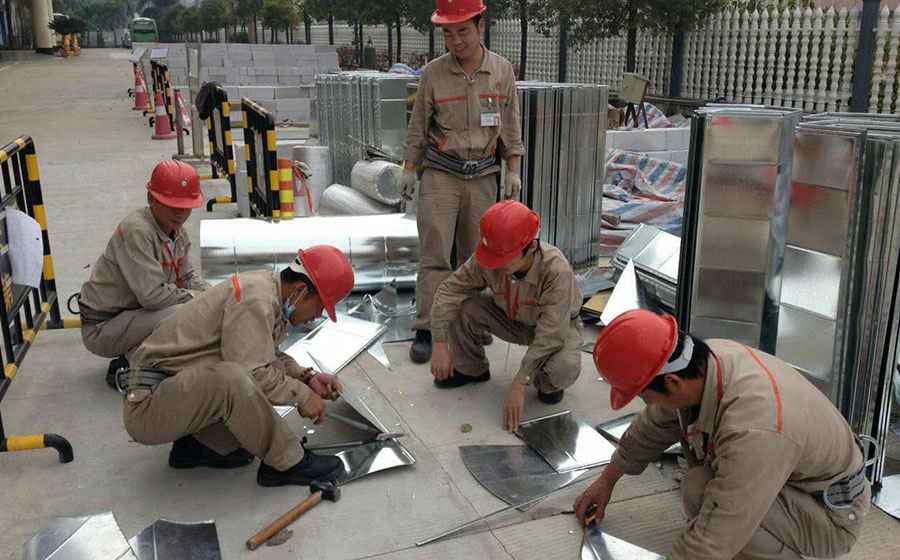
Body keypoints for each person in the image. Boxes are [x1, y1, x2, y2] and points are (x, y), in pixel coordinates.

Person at [575, 310, 870, 560]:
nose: (647, 403)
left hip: (828, 514)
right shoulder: (705, 362)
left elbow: (718, 530)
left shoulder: (755, 427)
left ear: (673, 382)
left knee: (707, 499)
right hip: (793, 480)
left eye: (644, 396)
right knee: (698, 486)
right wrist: (606, 481)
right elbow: (652, 426)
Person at [120, 246, 355, 486]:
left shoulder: (267, 291)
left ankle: (197, 446)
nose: (317, 315)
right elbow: (254, 372)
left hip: (172, 391)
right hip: (148, 408)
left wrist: (306, 377)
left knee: (239, 442)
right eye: (320, 306)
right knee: (232, 378)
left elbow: (263, 353)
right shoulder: (256, 300)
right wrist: (303, 396)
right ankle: (288, 463)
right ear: (301, 291)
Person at [400, 0, 525, 365]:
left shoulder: (501, 71)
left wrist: (512, 169)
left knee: (480, 255)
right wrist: (409, 168)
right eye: (448, 33)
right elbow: (418, 126)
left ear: (481, 27)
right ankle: (428, 327)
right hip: (442, 173)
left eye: (463, 31)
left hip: (483, 176)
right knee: (435, 254)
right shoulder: (433, 74)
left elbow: (511, 126)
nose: (456, 41)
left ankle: (473, 324)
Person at [429, 201, 583, 432]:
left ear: (531, 248)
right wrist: (439, 342)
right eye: (494, 258)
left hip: (556, 327)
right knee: (461, 306)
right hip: (512, 319)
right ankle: (472, 369)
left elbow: (551, 334)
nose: (497, 265)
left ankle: (546, 383)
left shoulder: (555, 270)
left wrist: (520, 382)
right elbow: (450, 290)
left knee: (563, 367)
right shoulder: (490, 253)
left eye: (505, 258)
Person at [78, 160, 207, 388]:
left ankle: (145, 357)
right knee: (183, 313)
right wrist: (197, 299)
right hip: (103, 327)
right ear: (151, 199)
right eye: (172, 206)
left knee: (201, 308)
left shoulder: (177, 233)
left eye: (186, 207)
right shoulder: (137, 230)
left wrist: (215, 295)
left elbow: (187, 277)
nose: (180, 214)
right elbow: (153, 297)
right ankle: (134, 367)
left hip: (133, 316)